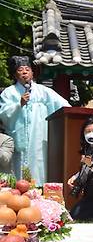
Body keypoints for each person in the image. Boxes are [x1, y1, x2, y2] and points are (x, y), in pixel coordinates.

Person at [0, 55, 70, 184]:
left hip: (39, 139)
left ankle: (39, 190)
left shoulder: (44, 92)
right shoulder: (9, 93)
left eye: (27, 69)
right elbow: (3, 114)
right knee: (18, 173)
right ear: (15, 74)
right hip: (18, 140)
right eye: (20, 70)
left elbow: (64, 106)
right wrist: (19, 104)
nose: (24, 72)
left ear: (32, 73)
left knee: (39, 167)